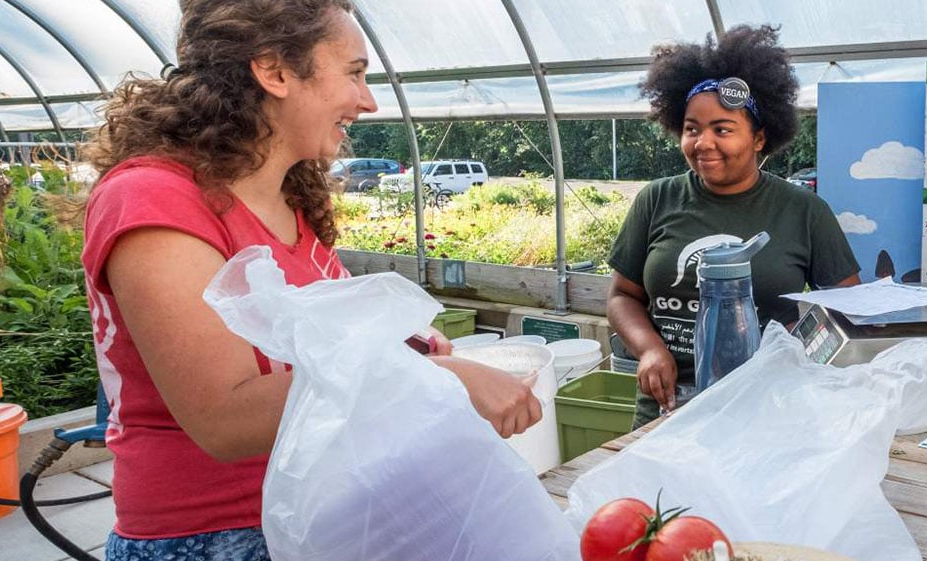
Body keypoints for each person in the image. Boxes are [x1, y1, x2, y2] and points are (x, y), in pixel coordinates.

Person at [82, 1, 541, 559]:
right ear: (274, 72)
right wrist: (439, 376)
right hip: (215, 536)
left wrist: (407, 346)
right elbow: (224, 416)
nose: (366, 100)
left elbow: (324, 348)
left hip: (322, 513)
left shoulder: (289, 199)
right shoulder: (152, 198)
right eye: (353, 72)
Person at [607, 25, 860, 430]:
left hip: (771, 408)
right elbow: (622, 296)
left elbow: (846, 309)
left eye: (722, 129)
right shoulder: (656, 200)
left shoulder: (804, 211)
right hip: (668, 408)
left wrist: (796, 347)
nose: (702, 142)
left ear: (759, 138)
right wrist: (651, 351)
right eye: (692, 128)